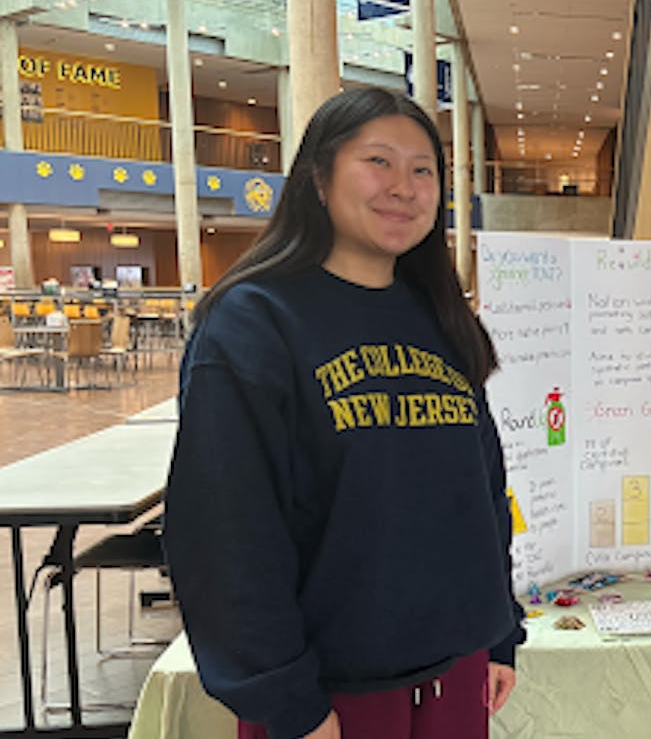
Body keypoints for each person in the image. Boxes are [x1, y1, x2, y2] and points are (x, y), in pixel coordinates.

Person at [165, 88, 526, 739]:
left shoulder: (440, 320)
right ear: (318, 177)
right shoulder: (252, 324)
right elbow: (225, 535)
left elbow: (481, 495)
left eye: (424, 170)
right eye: (378, 162)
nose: (404, 187)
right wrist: (289, 704)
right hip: (329, 697)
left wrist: (498, 633)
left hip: (457, 671)